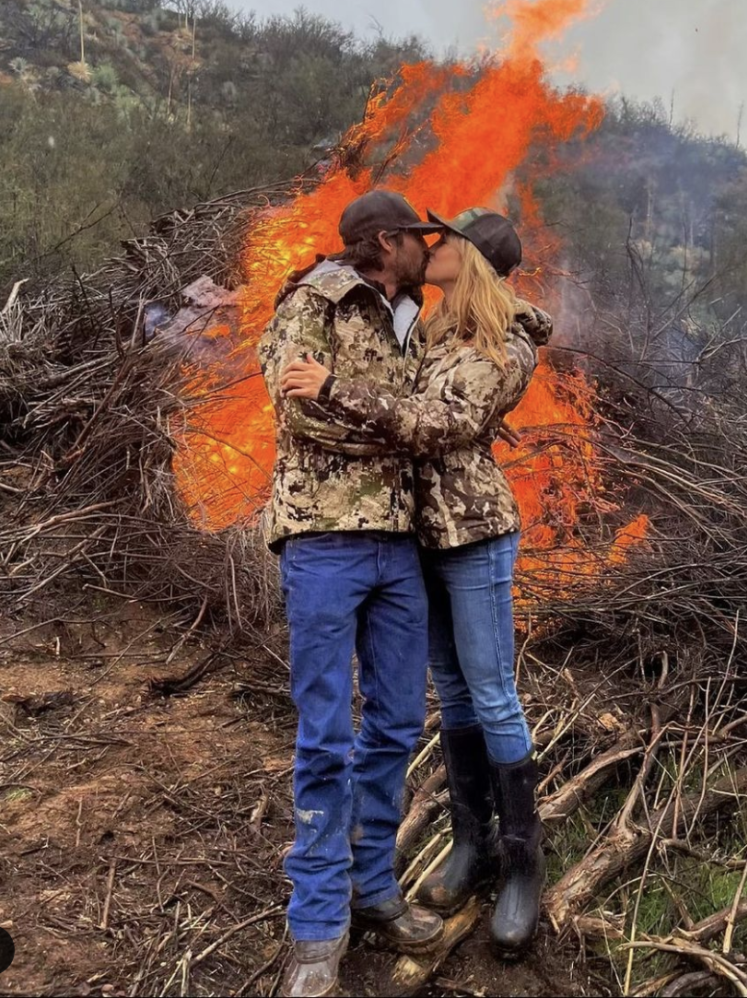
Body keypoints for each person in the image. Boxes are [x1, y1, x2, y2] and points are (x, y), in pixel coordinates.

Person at [281, 208, 552, 959]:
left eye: (446, 241)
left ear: (472, 260)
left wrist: (335, 389)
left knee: (492, 692)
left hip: (473, 536)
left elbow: (444, 425)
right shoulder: (429, 330)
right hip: (418, 537)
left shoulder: (506, 342)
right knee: (455, 696)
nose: (432, 248)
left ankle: (523, 867)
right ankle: (473, 845)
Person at [257, 190, 446, 998]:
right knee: (326, 734)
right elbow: (299, 415)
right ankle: (316, 925)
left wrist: (358, 401)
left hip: (399, 545)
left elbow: (437, 420)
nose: (425, 250)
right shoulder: (313, 301)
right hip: (324, 540)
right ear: (381, 241)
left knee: (399, 723)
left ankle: (374, 890)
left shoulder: (417, 318)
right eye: (415, 237)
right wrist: (397, 423)